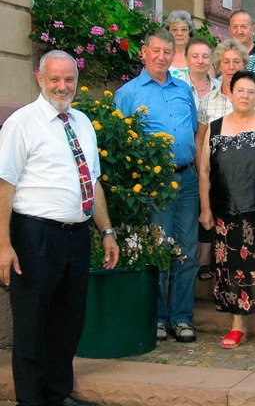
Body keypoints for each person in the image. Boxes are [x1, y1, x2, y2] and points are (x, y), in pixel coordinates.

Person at [0, 50, 119, 406]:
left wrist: (107, 231)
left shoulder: (82, 122)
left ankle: (58, 394)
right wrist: (3, 244)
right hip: (35, 236)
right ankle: (32, 400)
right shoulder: (21, 123)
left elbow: (92, 181)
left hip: (76, 235)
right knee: (33, 322)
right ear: (40, 78)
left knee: (68, 319)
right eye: (55, 79)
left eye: (69, 79)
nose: (62, 86)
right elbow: (4, 184)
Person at [115, 28, 200, 343]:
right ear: (144, 52)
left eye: (168, 51)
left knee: (188, 251)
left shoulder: (183, 89)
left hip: (188, 178)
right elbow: (122, 145)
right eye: (157, 51)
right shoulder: (128, 93)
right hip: (155, 182)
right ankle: (158, 318)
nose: (163, 57)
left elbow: (191, 130)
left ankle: (181, 317)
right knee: (158, 249)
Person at [198, 70, 255, 349]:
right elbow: (205, 170)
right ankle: (236, 325)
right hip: (225, 210)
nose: (245, 96)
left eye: (251, 92)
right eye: (240, 90)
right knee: (228, 267)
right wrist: (205, 208)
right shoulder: (215, 127)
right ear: (230, 93)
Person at [193, 39, 249, 281]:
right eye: (225, 61)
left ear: (244, 64)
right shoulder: (208, 101)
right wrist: (200, 170)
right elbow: (200, 139)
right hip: (214, 172)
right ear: (218, 65)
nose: (230, 66)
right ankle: (207, 264)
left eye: (236, 61)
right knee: (209, 214)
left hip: (246, 174)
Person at [184, 36, 217, 108]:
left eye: (205, 56)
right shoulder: (176, 87)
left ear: (211, 60)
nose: (200, 61)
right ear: (186, 59)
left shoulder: (220, 87)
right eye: (195, 56)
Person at [166, 10, 195, 80]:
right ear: (168, 32)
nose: (179, 33)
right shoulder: (162, 56)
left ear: (190, 32)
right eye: (174, 29)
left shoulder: (200, 56)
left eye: (184, 29)